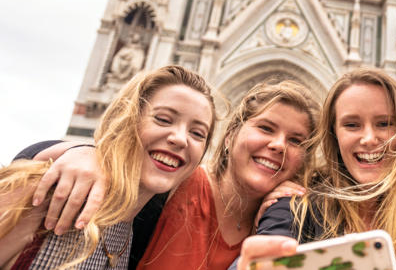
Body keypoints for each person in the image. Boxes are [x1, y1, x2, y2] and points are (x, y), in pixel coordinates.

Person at [15, 79, 319, 270]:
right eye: (265, 128)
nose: (278, 145)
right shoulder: (174, 183)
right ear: (229, 137)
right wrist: (85, 152)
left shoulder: (290, 223)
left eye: (296, 140)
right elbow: (26, 170)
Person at [0, 65, 217, 269]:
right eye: (163, 119)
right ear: (127, 119)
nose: (180, 139)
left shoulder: (133, 234)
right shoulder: (48, 193)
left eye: (198, 133)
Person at [247, 67, 396, 269]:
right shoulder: (293, 206)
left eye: (384, 123)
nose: (369, 139)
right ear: (334, 134)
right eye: (352, 124)